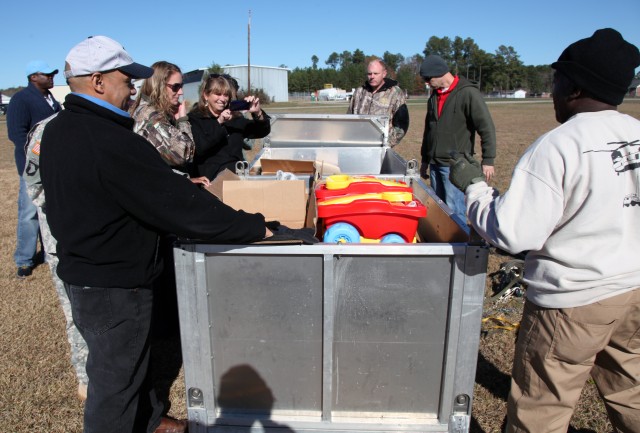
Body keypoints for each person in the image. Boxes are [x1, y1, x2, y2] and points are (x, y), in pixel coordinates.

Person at [39, 35, 274, 433]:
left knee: (132, 362)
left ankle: (148, 420)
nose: (132, 86)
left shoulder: (64, 128)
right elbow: (178, 206)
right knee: (115, 383)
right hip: (113, 283)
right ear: (97, 82)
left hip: (88, 273)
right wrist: (253, 226)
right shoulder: (108, 139)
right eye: (124, 78)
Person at [448, 28, 640, 433]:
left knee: (541, 408)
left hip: (574, 300)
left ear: (574, 87)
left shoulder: (560, 144)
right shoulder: (635, 134)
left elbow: (514, 233)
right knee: (631, 391)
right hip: (633, 289)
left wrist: (474, 188)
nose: (552, 90)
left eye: (556, 80)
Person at [23, 113, 90, 401]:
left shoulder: (109, 122)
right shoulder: (48, 130)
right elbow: (35, 187)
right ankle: (87, 379)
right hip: (63, 239)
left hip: (99, 242)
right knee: (76, 313)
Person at [419, 54, 496, 231]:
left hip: (455, 166)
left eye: (428, 79)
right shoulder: (434, 96)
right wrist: (425, 160)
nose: (427, 83)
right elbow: (428, 130)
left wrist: (488, 160)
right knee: (439, 209)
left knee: (455, 211)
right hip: (435, 164)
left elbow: (486, 127)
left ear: (439, 74)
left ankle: (460, 248)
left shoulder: (468, 93)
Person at [6, 60, 61, 277]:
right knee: (29, 213)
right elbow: (17, 134)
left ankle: (50, 252)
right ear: (33, 77)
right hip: (32, 167)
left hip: (52, 166)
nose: (51, 77)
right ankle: (24, 259)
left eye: (52, 74)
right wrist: (35, 158)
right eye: (46, 74)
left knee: (49, 210)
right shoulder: (21, 99)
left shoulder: (51, 101)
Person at [130, 61, 208, 186]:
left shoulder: (154, 112)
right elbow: (184, 154)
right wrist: (182, 120)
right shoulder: (150, 116)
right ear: (159, 85)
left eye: (181, 86)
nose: (181, 92)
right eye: (175, 87)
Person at [188, 74, 270, 180]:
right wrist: (219, 122)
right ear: (206, 95)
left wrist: (258, 113)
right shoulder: (195, 118)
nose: (222, 99)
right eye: (217, 94)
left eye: (226, 95)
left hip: (235, 178)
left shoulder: (234, 118)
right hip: (209, 181)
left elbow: (261, 131)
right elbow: (200, 148)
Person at [347, 58, 409, 147]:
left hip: (381, 148)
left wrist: (386, 144)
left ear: (384, 74)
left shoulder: (395, 93)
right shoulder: (359, 92)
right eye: (369, 73)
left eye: (376, 73)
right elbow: (349, 118)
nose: (372, 76)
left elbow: (401, 125)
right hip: (357, 145)